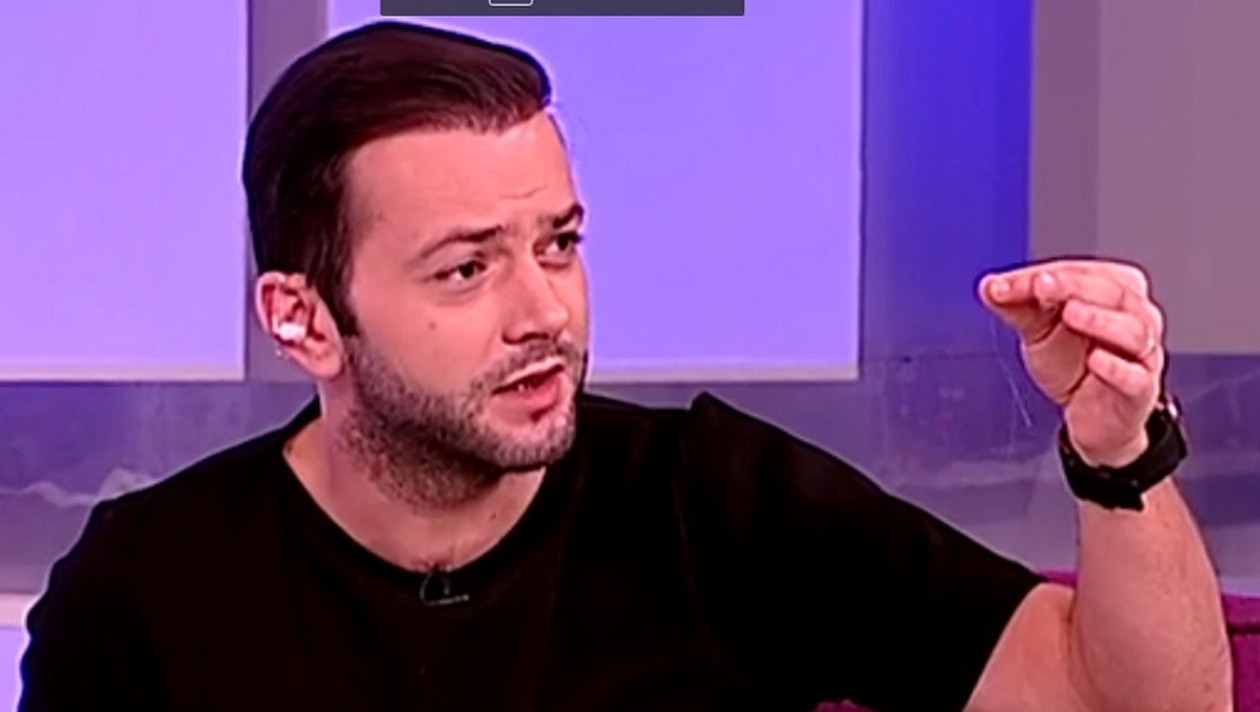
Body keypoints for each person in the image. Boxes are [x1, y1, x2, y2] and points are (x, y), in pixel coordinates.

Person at [19, 21, 1232, 712]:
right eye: (465, 269)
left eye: (559, 243)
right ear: (303, 320)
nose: (544, 310)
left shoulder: (717, 504)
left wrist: (1117, 452)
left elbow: (1122, 705)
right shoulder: (150, 590)